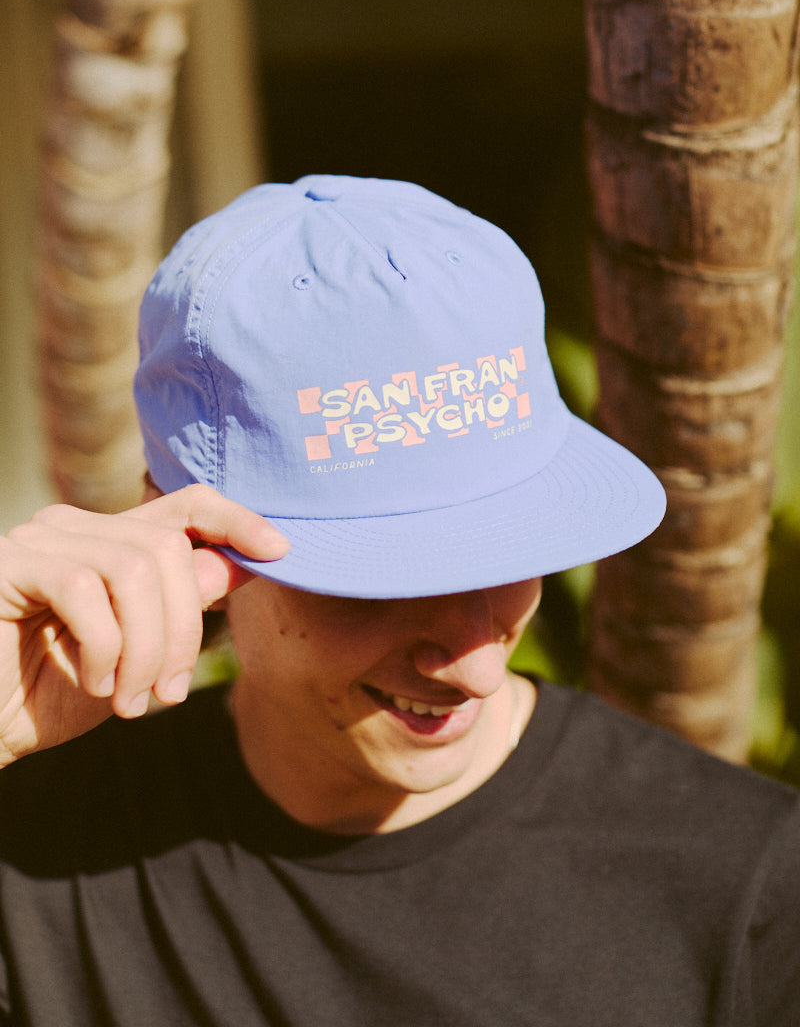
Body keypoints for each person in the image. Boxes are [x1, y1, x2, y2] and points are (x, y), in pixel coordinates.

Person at [0, 175, 798, 1026]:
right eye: (379, 584)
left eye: (508, 556)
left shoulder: (740, 881)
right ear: (179, 524)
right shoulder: (38, 856)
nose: (477, 662)